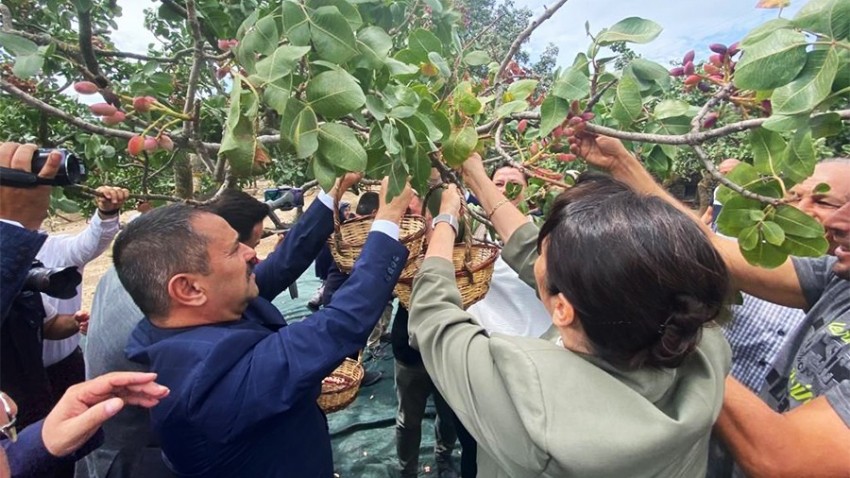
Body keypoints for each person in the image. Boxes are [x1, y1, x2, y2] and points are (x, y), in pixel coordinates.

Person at [408, 153, 732, 477]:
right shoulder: (698, 342)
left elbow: (433, 318)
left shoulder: (527, 403)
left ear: (562, 309)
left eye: (545, 252)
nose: (535, 251)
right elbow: (529, 248)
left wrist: (446, 219)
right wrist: (477, 177)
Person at [565, 129, 850, 476]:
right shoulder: (838, 279)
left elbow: (785, 461)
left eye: (826, 203)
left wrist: (671, 334)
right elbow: (707, 247)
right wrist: (622, 164)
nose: (836, 224)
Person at [116, 176, 411, 477]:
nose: (252, 254)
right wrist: (388, 219)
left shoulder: (184, 318)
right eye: (234, 250)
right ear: (189, 289)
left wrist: (333, 191)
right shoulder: (207, 383)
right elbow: (340, 325)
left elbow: (284, 262)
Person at [0, 142, 169, 477]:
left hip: (54, 374)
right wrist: (11, 229)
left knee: (73, 435)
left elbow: (87, 246)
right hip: (23, 386)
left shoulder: (48, 248)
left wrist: (44, 444)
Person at [79, 188, 275, 478]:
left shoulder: (140, 269)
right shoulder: (169, 325)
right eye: (238, 247)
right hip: (137, 455)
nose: (252, 255)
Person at [722, 159, 850, 392]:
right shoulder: (749, 252)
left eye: (822, 202)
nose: (799, 210)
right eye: (794, 197)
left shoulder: (835, 282)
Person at [37, 185, 129, 429]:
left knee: (78, 436)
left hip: (65, 368)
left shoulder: (54, 247)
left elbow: (91, 242)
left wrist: (107, 213)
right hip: (16, 380)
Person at [392, 193, 460, 478]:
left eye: (414, 200)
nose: (409, 205)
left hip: (447, 348)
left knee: (450, 415)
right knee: (409, 420)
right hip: (409, 348)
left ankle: (443, 455)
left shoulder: (459, 239)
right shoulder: (402, 239)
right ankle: (407, 469)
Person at [468, 163, 551, 338]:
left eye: (514, 183)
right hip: (488, 343)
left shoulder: (546, 234)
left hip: (540, 343)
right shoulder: (473, 229)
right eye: (497, 184)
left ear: (530, 193)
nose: (506, 190)